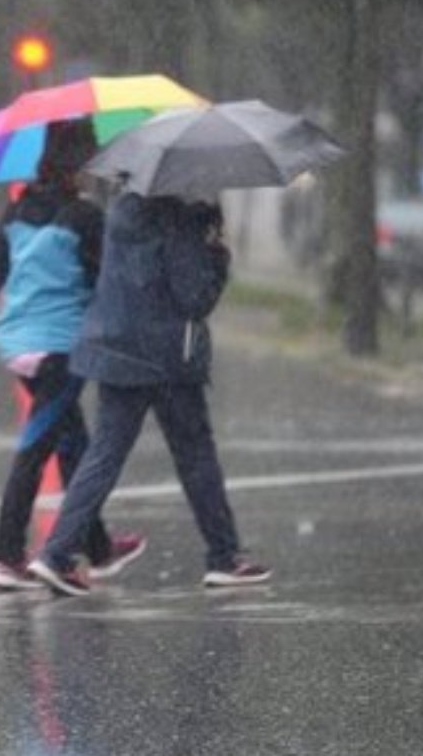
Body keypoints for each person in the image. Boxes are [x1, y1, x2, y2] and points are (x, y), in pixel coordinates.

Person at [26, 191, 271, 595]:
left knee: (104, 455)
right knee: (195, 454)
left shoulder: (122, 207)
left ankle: (56, 554)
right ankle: (225, 556)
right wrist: (217, 256)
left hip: (115, 346)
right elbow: (194, 297)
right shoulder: (182, 216)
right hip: (165, 357)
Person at [0, 121, 145, 591]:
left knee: (72, 443)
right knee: (35, 450)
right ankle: (6, 555)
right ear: (79, 165)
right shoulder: (84, 216)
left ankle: (97, 547)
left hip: (17, 343)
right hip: (61, 346)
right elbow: (106, 281)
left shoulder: (17, 210)